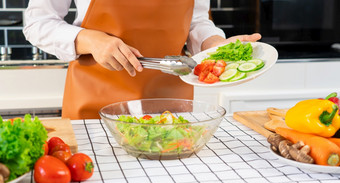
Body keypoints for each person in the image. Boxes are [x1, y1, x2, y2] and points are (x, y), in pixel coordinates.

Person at [23, 0, 261, 119]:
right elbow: (38, 23)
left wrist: (214, 46)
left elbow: (196, 21)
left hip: (170, 105)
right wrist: (91, 40)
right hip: (95, 104)